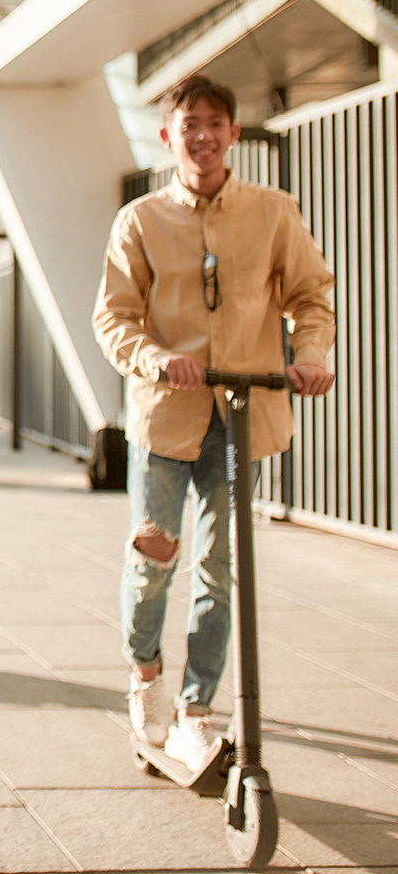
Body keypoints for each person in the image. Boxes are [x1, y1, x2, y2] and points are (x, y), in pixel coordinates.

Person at [93, 74, 335, 770]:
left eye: (214, 122)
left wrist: (311, 355)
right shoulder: (140, 221)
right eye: (187, 123)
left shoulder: (273, 211)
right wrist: (154, 357)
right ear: (168, 138)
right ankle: (145, 677)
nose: (201, 134)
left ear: (233, 134)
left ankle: (197, 708)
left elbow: (311, 297)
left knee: (220, 568)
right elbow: (113, 316)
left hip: (242, 414)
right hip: (165, 417)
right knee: (156, 554)